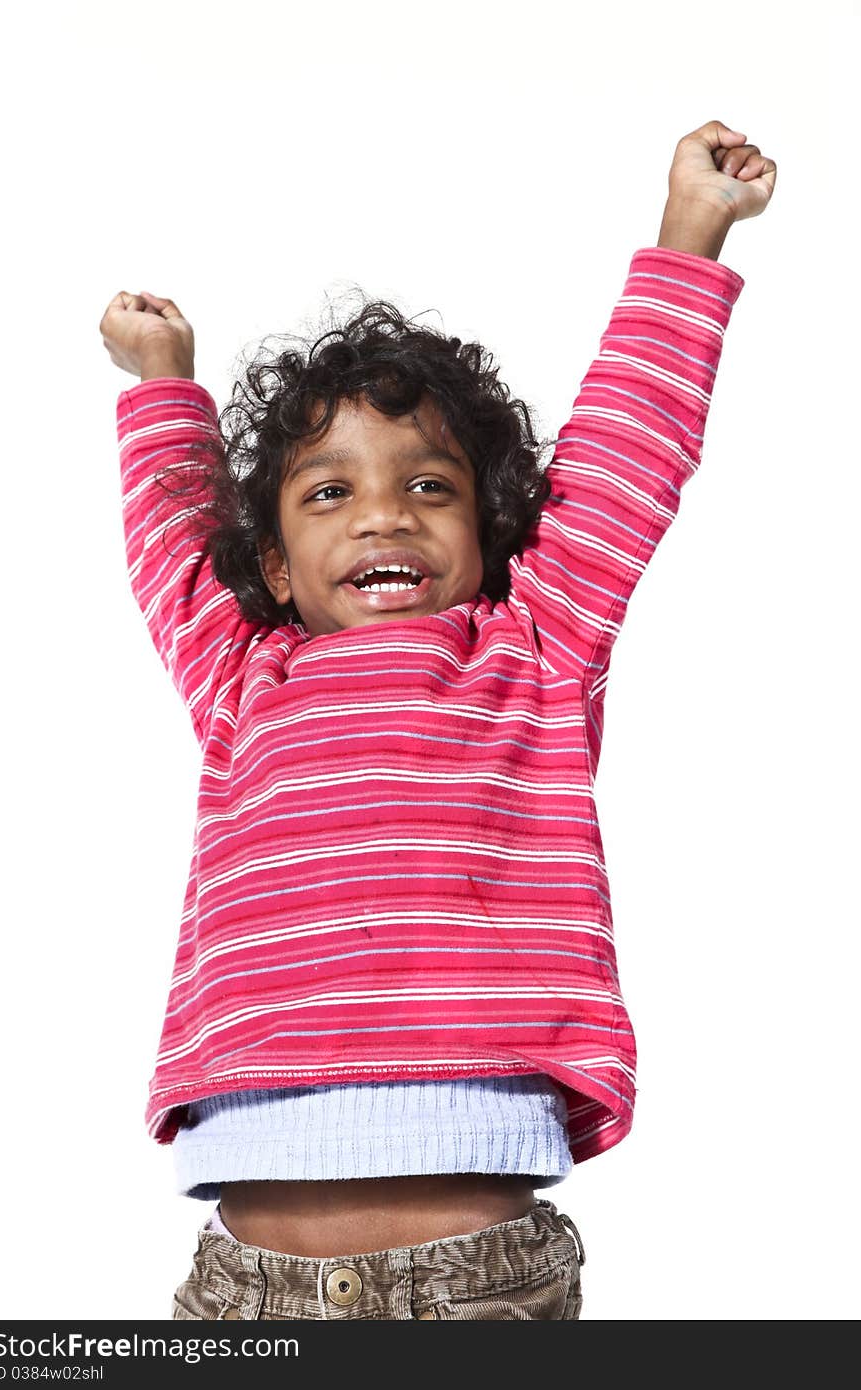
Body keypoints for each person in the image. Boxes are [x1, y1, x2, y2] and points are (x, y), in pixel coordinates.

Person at [99, 119, 775, 1321]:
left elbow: (629, 450)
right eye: (329, 492)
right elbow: (169, 547)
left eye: (429, 486)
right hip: (242, 1287)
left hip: (471, 1285)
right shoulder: (240, 675)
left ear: (491, 531)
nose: (383, 517)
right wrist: (161, 387)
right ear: (276, 560)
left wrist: (691, 232)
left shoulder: (535, 647)